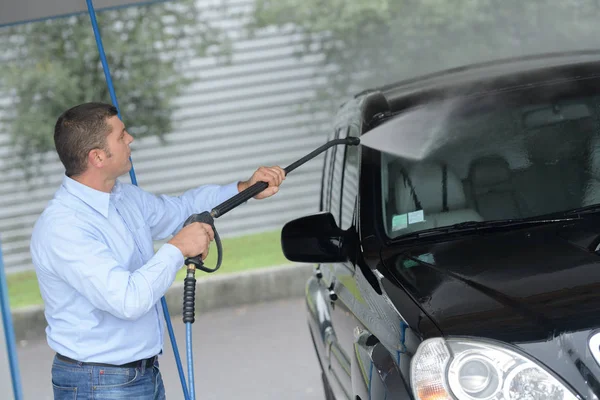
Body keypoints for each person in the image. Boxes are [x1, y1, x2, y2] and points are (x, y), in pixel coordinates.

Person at [29, 102, 286, 399]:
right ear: (97, 156)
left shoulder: (123, 198)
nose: (131, 140)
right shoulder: (64, 227)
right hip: (99, 383)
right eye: (121, 135)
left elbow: (183, 209)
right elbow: (127, 300)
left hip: (139, 374)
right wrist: (177, 248)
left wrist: (245, 189)